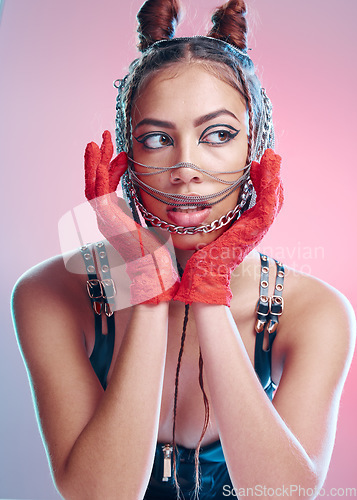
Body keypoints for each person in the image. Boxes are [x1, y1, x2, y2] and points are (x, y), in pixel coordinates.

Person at [11, 0, 355, 499]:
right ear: (125, 156)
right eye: (156, 138)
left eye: (217, 134)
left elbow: (280, 496)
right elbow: (97, 495)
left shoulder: (316, 312)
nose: (186, 168)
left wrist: (210, 290)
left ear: (256, 150)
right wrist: (147, 286)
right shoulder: (48, 294)